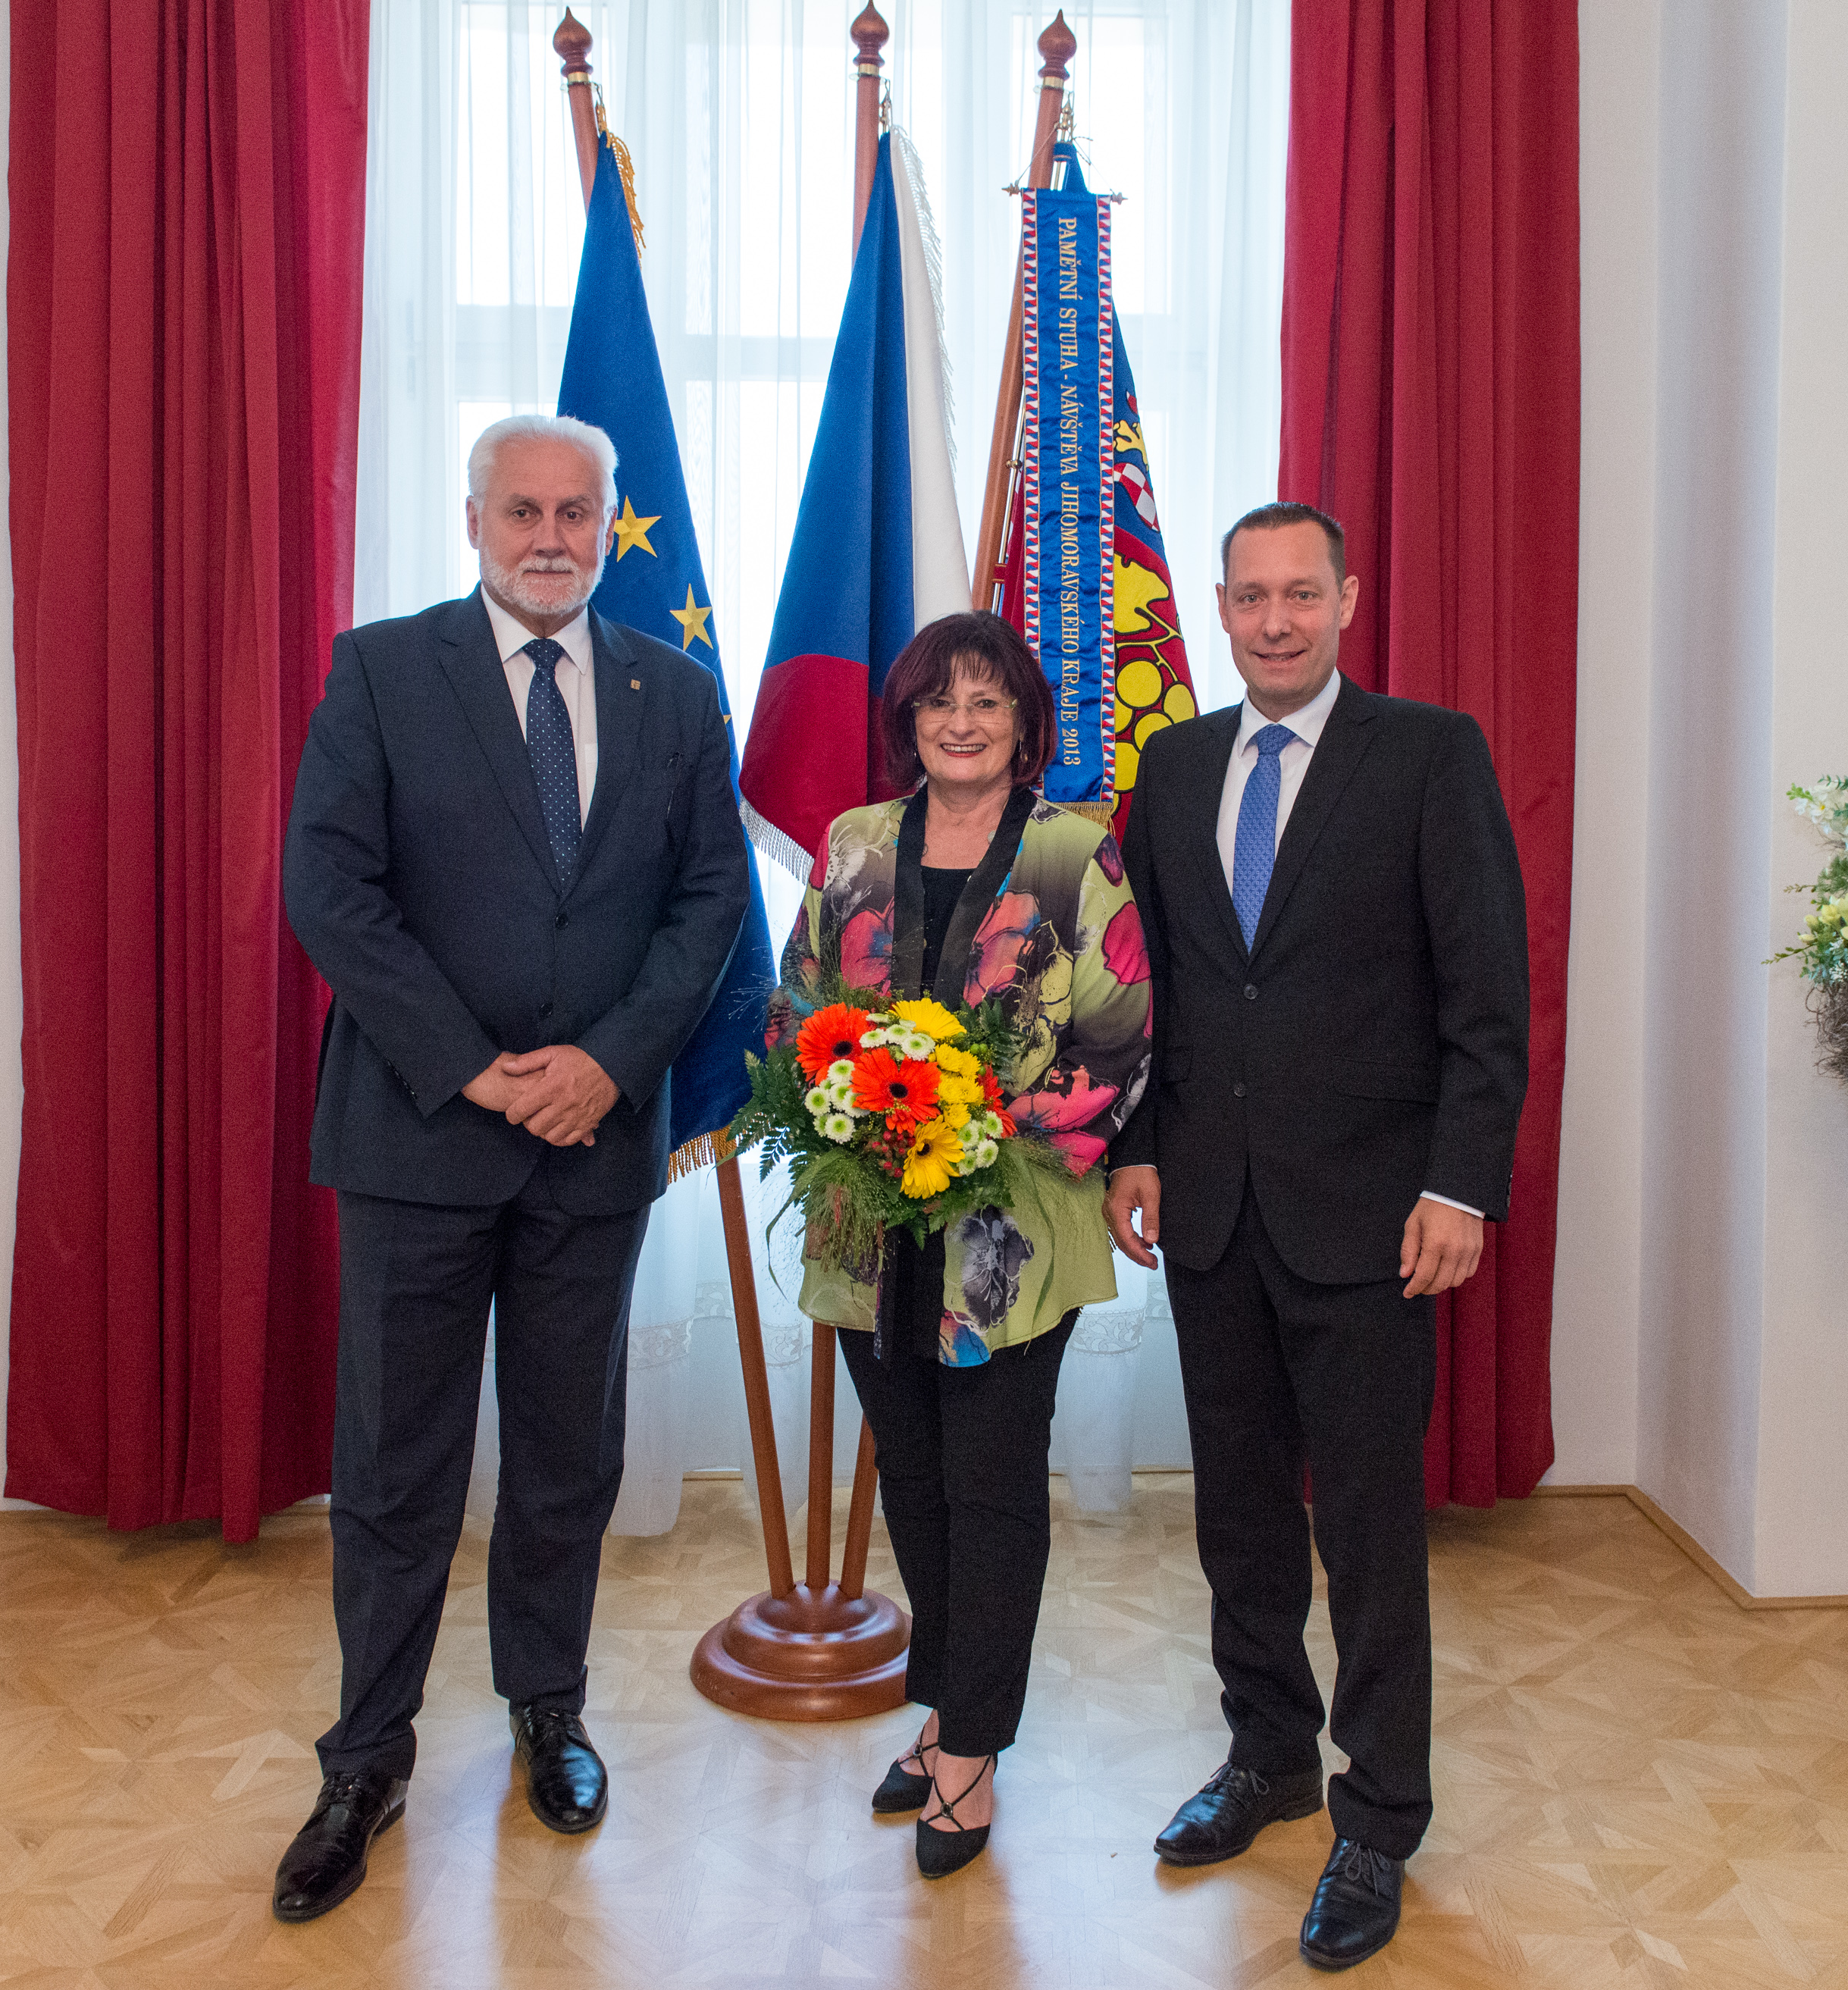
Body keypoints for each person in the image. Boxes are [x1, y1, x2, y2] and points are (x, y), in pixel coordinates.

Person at [273, 414, 752, 1922]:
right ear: (473, 518)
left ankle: (552, 1710)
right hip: (419, 1133)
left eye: (576, 511)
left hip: (591, 1143)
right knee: (395, 1469)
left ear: (609, 524)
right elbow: (329, 888)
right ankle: (366, 1757)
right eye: (523, 509)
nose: (551, 535)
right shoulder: (380, 670)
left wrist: (608, 1062)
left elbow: (708, 899)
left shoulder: (674, 690)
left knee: (563, 1457)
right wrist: (475, 1068)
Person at [1103, 503, 1530, 1970]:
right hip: (1209, 1209)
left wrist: (1461, 1185)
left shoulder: (1429, 755)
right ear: (1220, 609)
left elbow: (1487, 994)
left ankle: (1381, 1814)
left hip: (1374, 1218)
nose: (1276, 620)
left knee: (1367, 1529)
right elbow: (1153, 987)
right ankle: (1270, 1754)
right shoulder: (1172, 767)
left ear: (1348, 599)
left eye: (1303, 593)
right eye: (1251, 597)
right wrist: (1137, 1148)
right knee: (1237, 1514)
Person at [775, 610, 1151, 1879]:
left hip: (1010, 1232)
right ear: (911, 719)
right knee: (917, 1481)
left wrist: (985, 1123)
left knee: (991, 1488)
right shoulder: (853, 843)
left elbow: (1121, 1034)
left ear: (1024, 722)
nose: (963, 722)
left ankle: (974, 1748)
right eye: (941, 700)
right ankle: (946, 1711)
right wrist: (848, 1107)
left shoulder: (1076, 850)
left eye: (990, 700)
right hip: (868, 1229)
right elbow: (799, 1004)